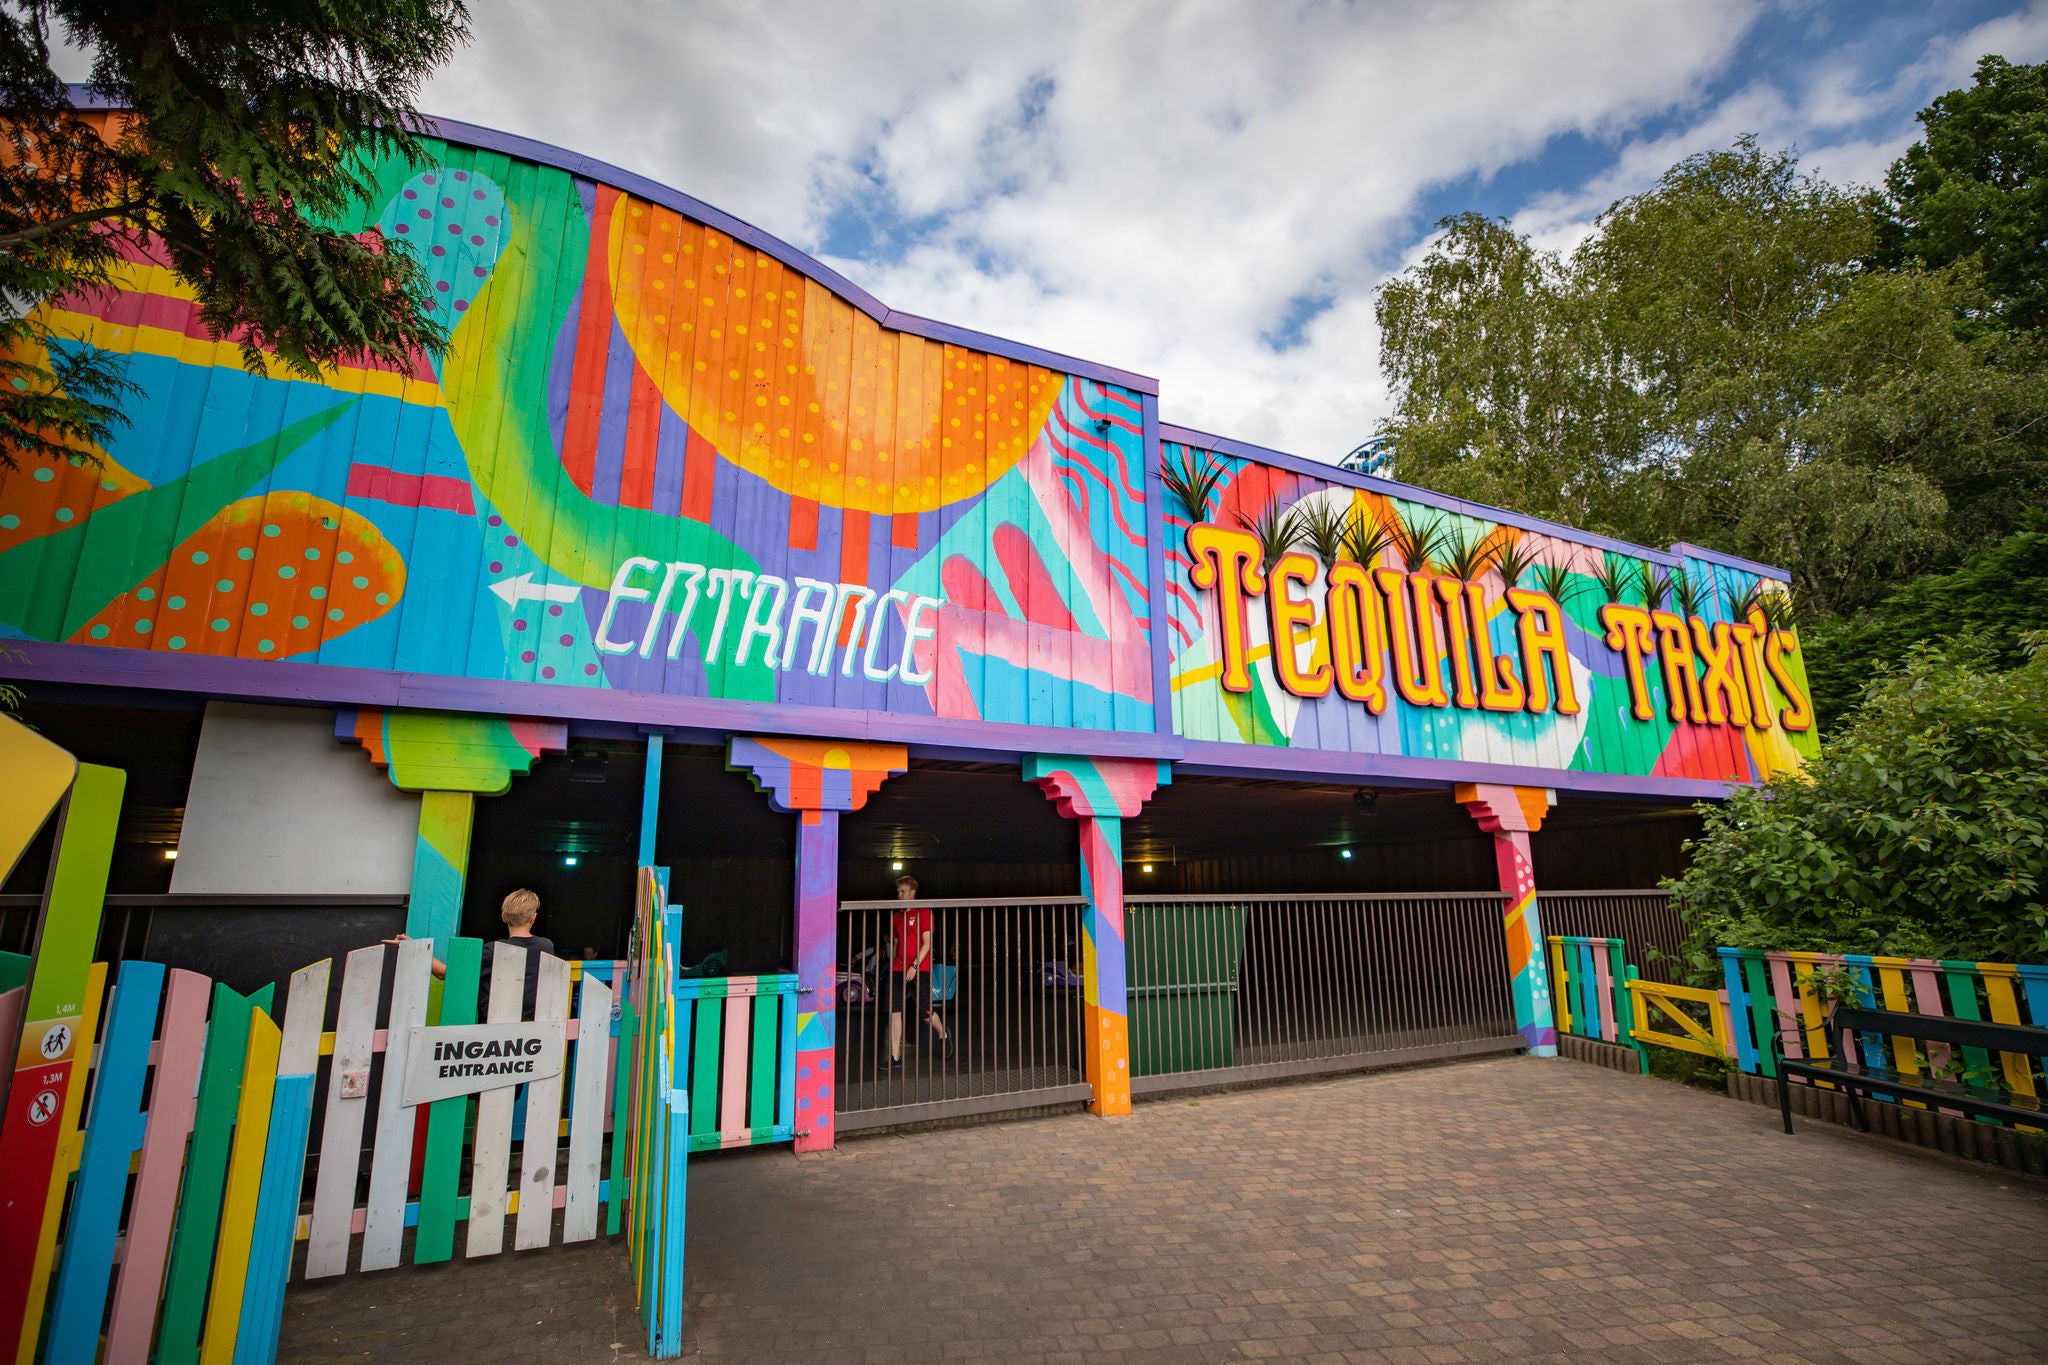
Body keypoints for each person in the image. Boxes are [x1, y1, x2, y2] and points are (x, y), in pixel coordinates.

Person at [385, 887, 555, 1019]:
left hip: (494, 1029)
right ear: (533, 917)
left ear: (503, 917)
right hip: (534, 1028)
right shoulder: (546, 947)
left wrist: (414, 948)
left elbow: (443, 973)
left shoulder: (491, 951)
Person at [887, 874, 951, 1065]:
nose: (899, 895)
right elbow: (896, 942)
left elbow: (927, 943)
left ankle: (942, 1032)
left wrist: (914, 966)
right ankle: (895, 1057)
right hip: (898, 967)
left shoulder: (923, 911)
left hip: (919, 967)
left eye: (903, 892)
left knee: (924, 1012)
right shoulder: (896, 916)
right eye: (898, 892)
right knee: (894, 1010)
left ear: (912, 893)